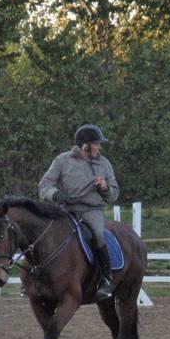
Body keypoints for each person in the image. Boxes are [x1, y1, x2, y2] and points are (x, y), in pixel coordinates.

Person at [38, 124, 120, 299]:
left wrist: (105, 188)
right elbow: (44, 186)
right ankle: (36, 278)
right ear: (85, 145)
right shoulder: (62, 161)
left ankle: (105, 279)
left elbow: (113, 195)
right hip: (66, 209)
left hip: (91, 210)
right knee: (45, 234)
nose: (100, 147)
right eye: (97, 143)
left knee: (98, 235)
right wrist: (56, 195)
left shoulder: (104, 164)